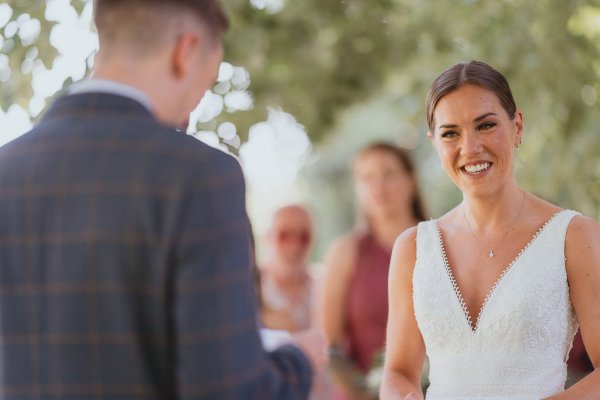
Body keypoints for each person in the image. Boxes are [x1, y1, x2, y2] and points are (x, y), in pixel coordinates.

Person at [0, 1, 325, 399]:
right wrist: (301, 361)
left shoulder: (7, 168)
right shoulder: (199, 175)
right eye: (208, 79)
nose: (194, 104)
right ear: (185, 50)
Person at [380, 60, 600, 399]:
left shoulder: (574, 237)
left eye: (485, 126)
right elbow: (397, 374)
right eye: (450, 133)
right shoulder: (413, 248)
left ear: (517, 127)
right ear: (434, 142)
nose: (470, 147)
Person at [318, 142, 427, 399]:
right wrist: (363, 392)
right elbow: (328, 347)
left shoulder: (443, 244)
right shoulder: (344, 253)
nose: (378, 186)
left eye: (388, 174)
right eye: (367, 178)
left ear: (411, 180)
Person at [260, 205, 316, 333]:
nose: (295, 246)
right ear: (268, 237)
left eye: (303, 237)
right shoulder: (252, 287)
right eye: (284, 236)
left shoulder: (325, 285)